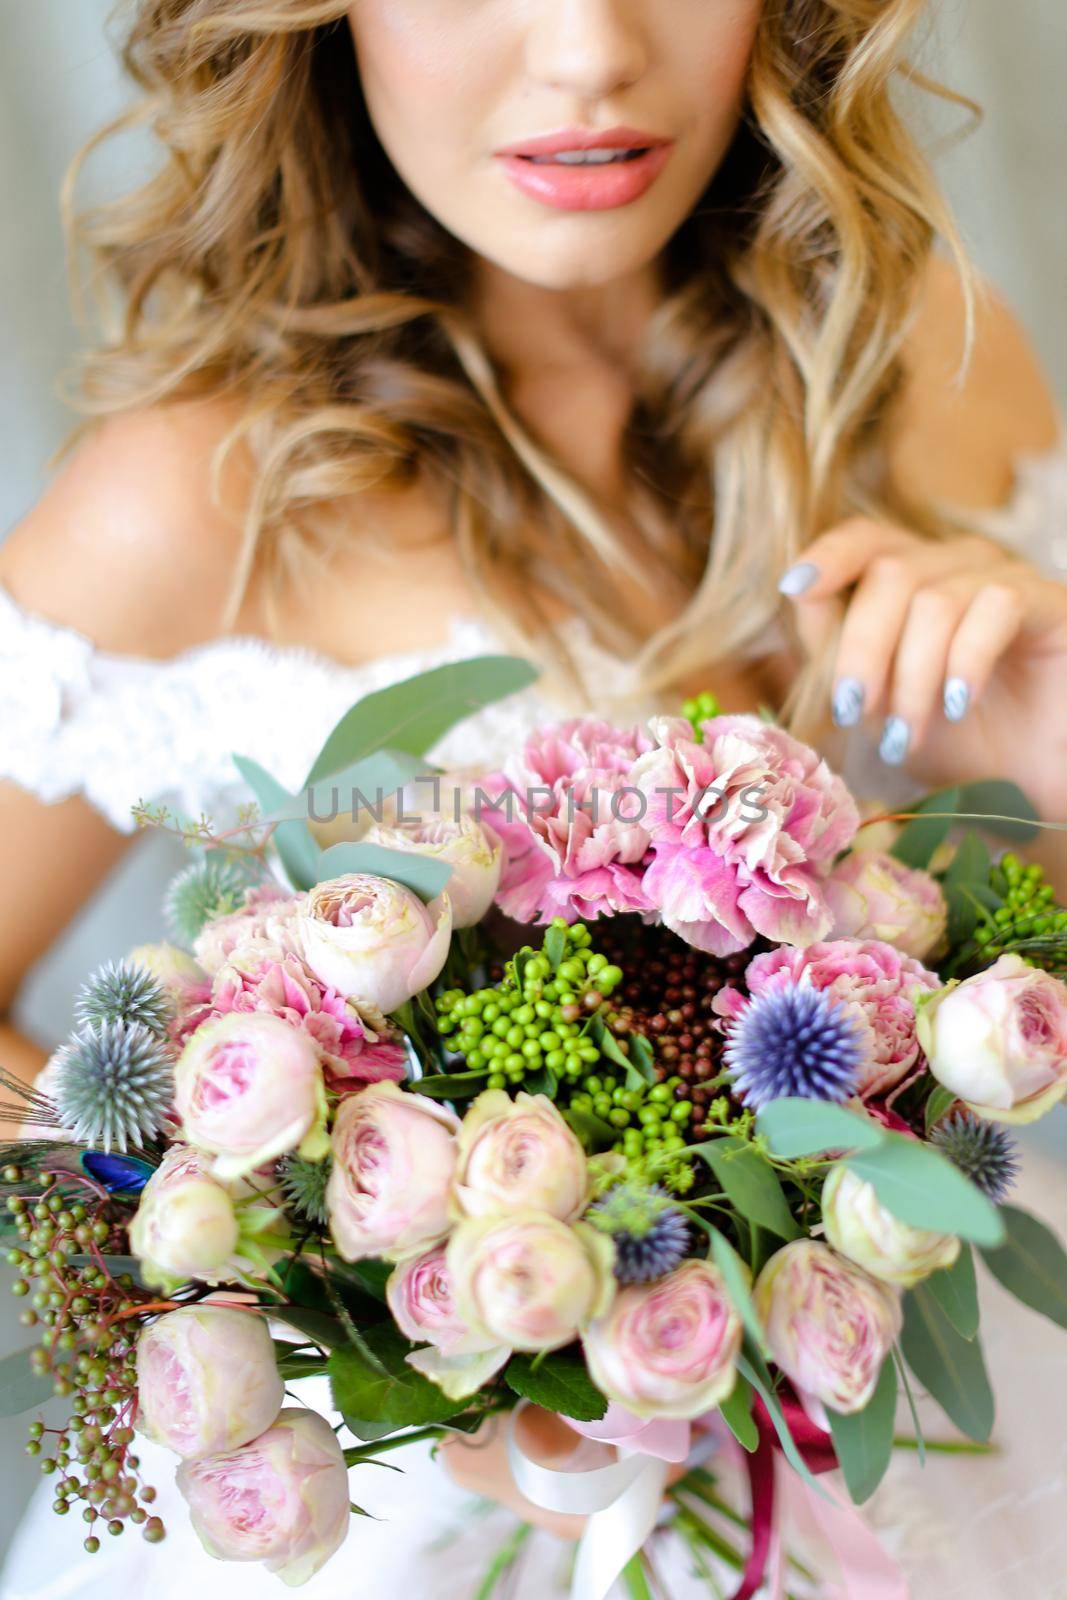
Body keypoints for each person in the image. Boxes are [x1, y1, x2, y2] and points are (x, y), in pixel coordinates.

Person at [2, 2, 1066, 1594]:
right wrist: (322, 1278)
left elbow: (1020, 991)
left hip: (920, 1445)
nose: (586, 51)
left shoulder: (931, 364)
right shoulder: (192, 495)